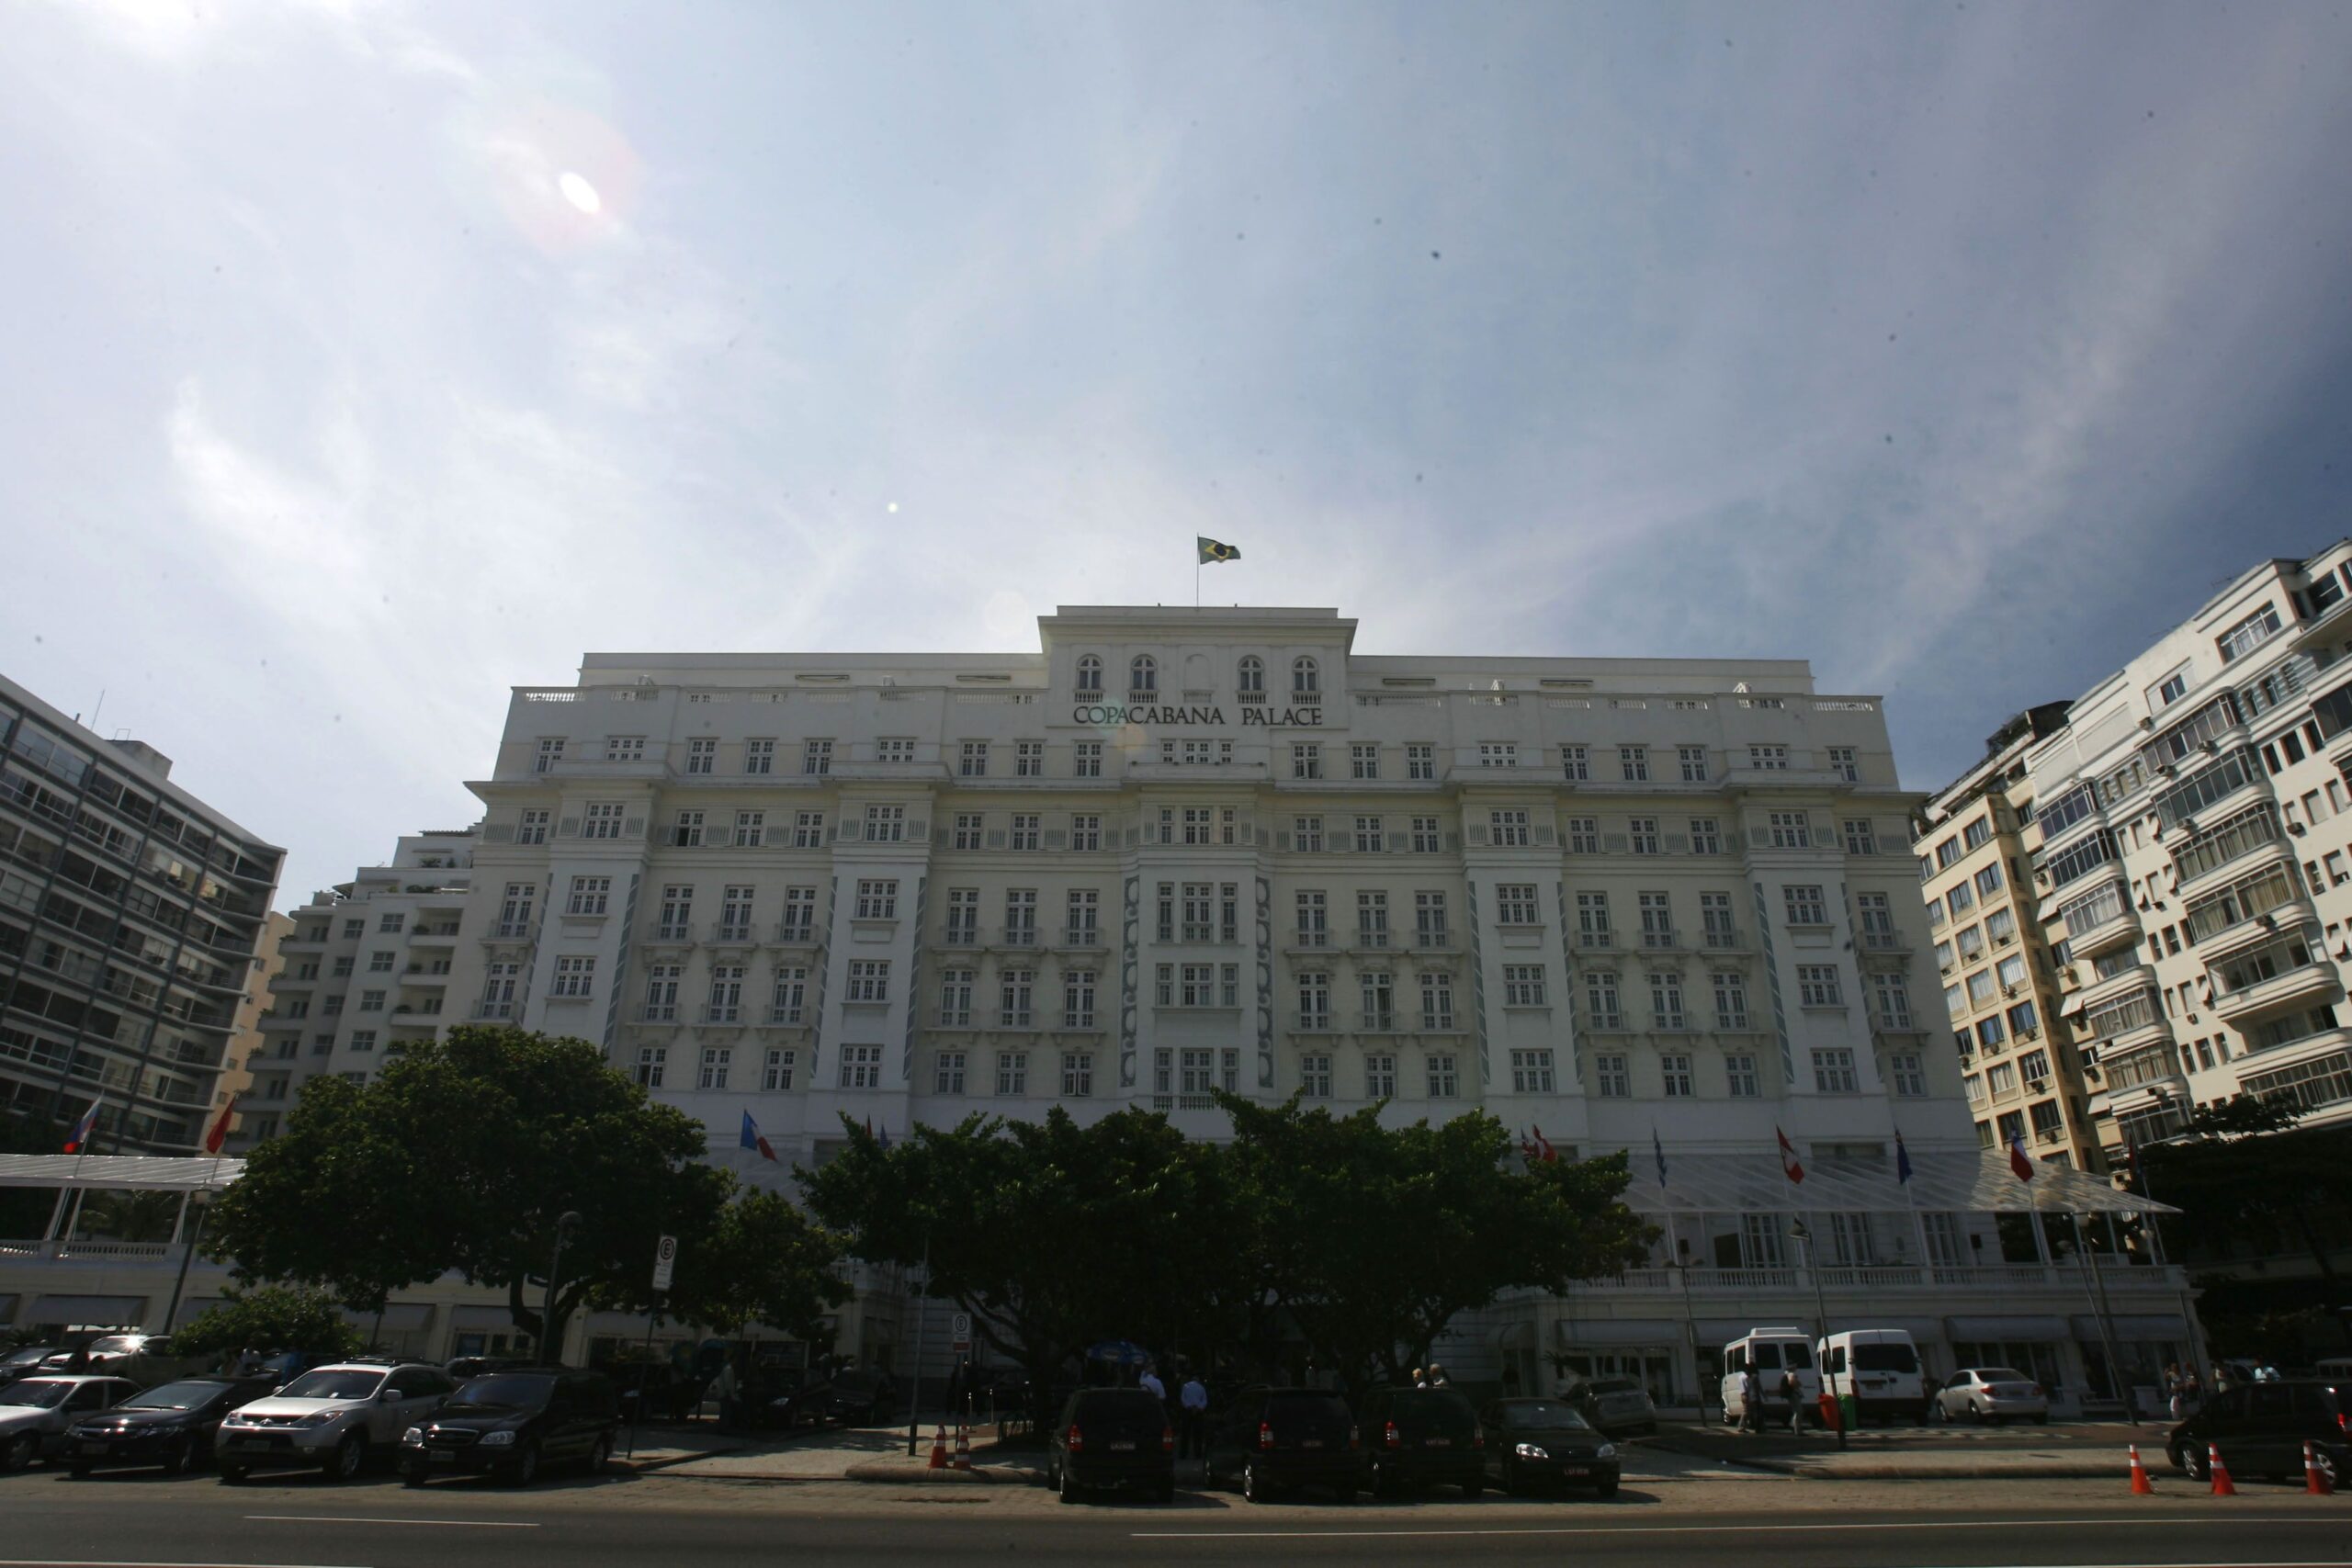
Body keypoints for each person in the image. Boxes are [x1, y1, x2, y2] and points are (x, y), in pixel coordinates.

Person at [1180, 1371, 1208, 1461]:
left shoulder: (1186, 1386)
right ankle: (1198, 1453)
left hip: (1188, 1411)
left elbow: (1183, 1398)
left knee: (1185, 1433)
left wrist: (1189, 1406)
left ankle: (1183, 1453)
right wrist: (1199, 1408)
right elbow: (1204, 1400)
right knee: (1198, 1434)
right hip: (1198, 1411)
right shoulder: (1201, 1388)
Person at [1737, 1363, 1761, 1434]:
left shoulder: (1745, 1376)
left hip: (1745, 1394)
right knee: (1746, 1411)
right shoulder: (1744, 1377)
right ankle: (1741, 1426)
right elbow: (1746, 1388)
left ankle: (1743, 1426)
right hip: (1745, 1394)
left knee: (1747, 1411)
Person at [1779, 1367, 1803, 1434]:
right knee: (1798, 1412)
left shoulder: (1786, 1374)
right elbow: (1791, 1382)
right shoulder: (1791, 1374)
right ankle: (1797, 1429)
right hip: (1793, 1394)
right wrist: (1797, 1384)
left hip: (1791, 1394)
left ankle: (1794, 1426)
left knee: (1796, 1411)